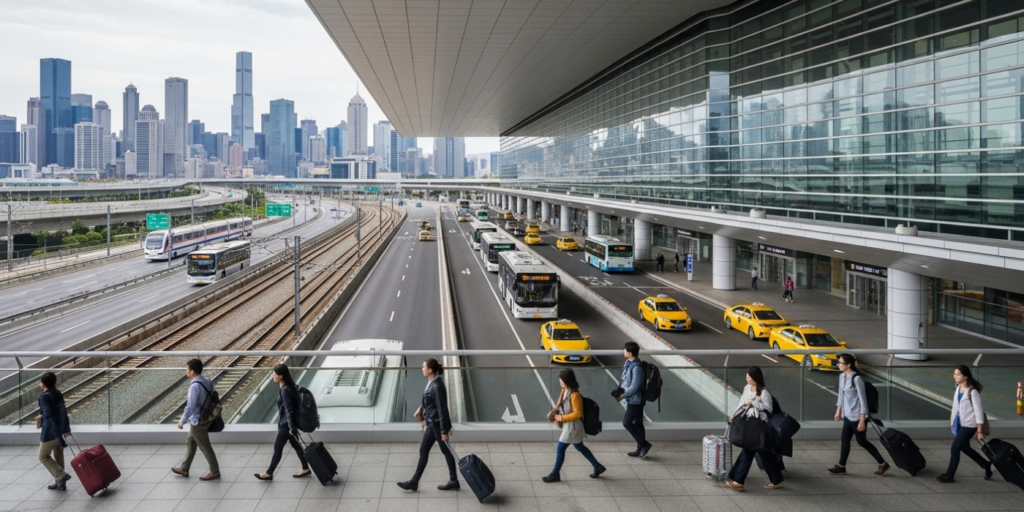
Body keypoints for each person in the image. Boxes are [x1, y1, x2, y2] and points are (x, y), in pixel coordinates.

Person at [397, 358, 460, 492]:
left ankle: (452, 481)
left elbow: (442, 409)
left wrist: (444, 430)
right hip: (433, 423)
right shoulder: (432, 382)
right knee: (427, 450)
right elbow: (430, 400)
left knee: (443, 451)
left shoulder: (436, 386)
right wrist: (421, 409)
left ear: (430, 370)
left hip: (436, 424)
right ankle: (415, 482)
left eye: (423, 367)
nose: (422, 369)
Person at [828, 354, 889, 476]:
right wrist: (838, 410)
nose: (838, 364)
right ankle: (841, 466)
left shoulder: (857, 379)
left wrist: (862, 421)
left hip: (857, 416)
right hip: (848, 414)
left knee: (862, 441)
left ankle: (883, 463)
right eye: (838, 362)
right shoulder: (842, 377)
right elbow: (841, 395)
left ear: (849, 365)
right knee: (845, 439)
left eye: (840, 362)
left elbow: (863, 401)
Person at [542, 369, 606, 483]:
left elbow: (578, 414)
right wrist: (554, 413)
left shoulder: (575, 395)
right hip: (569, 426)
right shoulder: (564, 391)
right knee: (579, 447)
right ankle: (598, 467)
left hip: (573, 428)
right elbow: (559, 405)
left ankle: (555, 474)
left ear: (568, 380)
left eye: (562, 380)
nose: (560, 382)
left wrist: (562, 418)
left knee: (560, 448)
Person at [726, 366, 783, 491]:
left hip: (759, 427)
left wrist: (755, 403)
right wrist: (734, 416)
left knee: (749, 451)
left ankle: (738, 480)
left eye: (748, 377)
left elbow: (769, 410)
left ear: (755, 378)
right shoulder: (747, 388)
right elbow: (741, 403)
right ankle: (776, 479)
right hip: (749, 425)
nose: (746, 379)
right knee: (763, 454)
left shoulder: (764, 392)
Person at [937, 365, 993, 483]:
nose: (955, 376)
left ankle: (949, 475)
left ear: (965, 376)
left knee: (955, 448)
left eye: (958, 374)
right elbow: (956, 408)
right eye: (954, 374)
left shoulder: (972, 392)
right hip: (961, 423)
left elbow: (979, 413)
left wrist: (979, 431)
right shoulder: (958, 388)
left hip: (970, 425)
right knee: (965, 448)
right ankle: (986, 464)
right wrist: (954, 423)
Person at [255, 364, 311, 481]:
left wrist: (290, 426)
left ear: (280, 376)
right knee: (296, 445)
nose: (273, 376)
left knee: (278, 447)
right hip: (291, 423)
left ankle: (269, 473)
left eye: (274, 374)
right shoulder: (291, 386)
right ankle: (305, 468)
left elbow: (289, 409)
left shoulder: (285, 390)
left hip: (286, 424)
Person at [172, 359, 221, 481]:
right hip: (207, 416)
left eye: (187, 370)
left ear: (192, 372)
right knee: (190, 442)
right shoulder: (208, 381)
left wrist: (182, 421)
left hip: (198, 420)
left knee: (205, 446)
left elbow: (191, 406)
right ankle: (184, 468)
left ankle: (215, 471)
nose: (186, 372)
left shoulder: (194, 386)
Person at [614, 342, 651, 459]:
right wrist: (619, 390)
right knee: (637, 423)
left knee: (627, 422)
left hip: (635, 400)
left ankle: (644, 445)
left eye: (625, 350)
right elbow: (625, 381)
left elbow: (635, 387)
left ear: (629, 353)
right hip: (631, 399)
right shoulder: (629, 363)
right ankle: (640, 449)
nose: (623, 351)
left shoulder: (637, 368)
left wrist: (623, 395)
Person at [36, 372, 72, 491]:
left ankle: (61, 475)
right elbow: (62, 412)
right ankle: (60, 483)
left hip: (51, 432)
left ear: (43, 383)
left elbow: (49, 415)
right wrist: (65, 428)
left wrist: (55, 433)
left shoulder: (44, 397)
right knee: (58, 454)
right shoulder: (57, 393)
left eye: (40, 381)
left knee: (42, 456)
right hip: (60, 430)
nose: (39, 383)